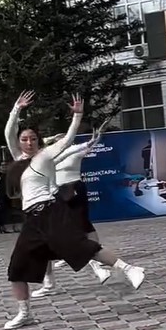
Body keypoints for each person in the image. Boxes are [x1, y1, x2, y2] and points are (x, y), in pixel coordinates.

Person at [3, 91, 145, 330]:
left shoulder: (45, 156)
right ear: (19, 142)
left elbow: (67, 141)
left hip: (50, 212)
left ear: (39, 141)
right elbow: (9, 131)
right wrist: (16, 109)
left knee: (80, 247)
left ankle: (129, 269)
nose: (29, 142)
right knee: (16, 268)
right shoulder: (18, 158)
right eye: (25, 139)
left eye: (33, 139)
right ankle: (24, 313)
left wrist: (77, 116)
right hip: (32, 219)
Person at [31, 121, 113, 298]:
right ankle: (77, 260)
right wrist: (54, 138)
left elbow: (92, 143)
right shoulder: (51, 156)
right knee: (61, 230)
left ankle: (94, 260)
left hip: (74, 189)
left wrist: (98, 134)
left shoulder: (76, 151)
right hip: (57, 192)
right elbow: (41, 145)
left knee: (80, 225)